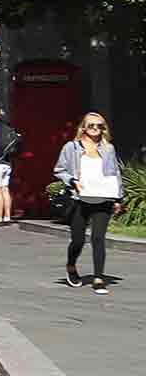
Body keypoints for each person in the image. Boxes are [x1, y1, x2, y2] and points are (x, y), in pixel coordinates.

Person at [53, 112, 120, 293]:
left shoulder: (108, 149)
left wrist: (117, 197)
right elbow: (59, 169)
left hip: (103, 198)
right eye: (92, 125)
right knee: (78, 240)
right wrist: (73, 181)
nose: (96, 129)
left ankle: (98, 277)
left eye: (100, 126)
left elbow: (115, 173)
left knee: (98, 238)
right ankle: (71, 266)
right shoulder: (72, 147)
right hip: (80, 199)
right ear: (83, 127)